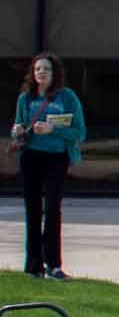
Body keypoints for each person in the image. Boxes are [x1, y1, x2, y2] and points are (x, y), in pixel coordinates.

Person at [12, 53, 85, 279]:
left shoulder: (67, 97)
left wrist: (54, 130)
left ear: (55, 73)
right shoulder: (25, 99)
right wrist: (17, 132)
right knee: (32, 211)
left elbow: (79, 132)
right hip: (31, 157)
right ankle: (34, 266)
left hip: (56, 157)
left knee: (52, 209)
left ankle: (53, 264)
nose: (41, 73)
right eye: (37, 69)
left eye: (45, 69)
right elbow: (18, 130)